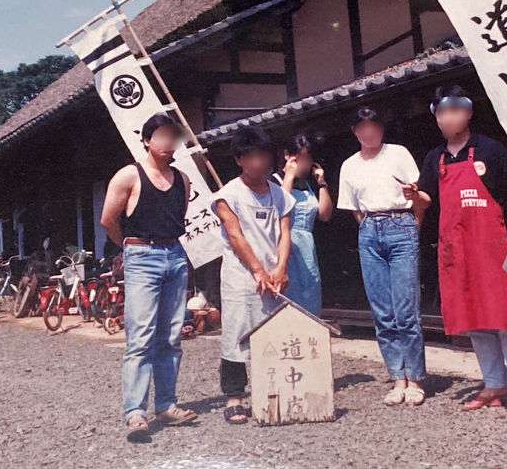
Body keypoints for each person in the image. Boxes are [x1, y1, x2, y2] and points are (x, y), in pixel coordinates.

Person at [408, 85, 507, 415]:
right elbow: (427, 198)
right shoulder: (434, 157)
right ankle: (494, 383)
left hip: (492, 247)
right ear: (436, 117)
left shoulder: (490, 149)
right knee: (475, 320)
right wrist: (413, 196)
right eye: (442, 111)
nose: (449, 117)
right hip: (457, 249)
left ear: (468, 112)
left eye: (455, 110)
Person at [100, 113, 197, 441]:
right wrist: (129, 248)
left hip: (174, 256)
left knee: (171, 336)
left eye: (173, 137)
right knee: (140, 337)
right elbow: (108, 220)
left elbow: (177, 217)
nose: (168, 144)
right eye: (162, 137)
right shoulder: (130, 175)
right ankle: (135, 412)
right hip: (142, 256)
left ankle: (166, 404)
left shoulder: (182, 179)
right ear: (146, 140)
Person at [337, 106, 427, 407]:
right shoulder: (349, 165)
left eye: (373, 125)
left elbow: (417, 194)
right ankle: (396, 377)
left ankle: (415, 378)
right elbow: (353, 207)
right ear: (354, 132)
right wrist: (369, 226)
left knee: (405, 308)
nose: (369, 132)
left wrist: (410, 225)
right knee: (382, 310)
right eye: (362, 127)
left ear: (381, 128)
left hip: (401, 224)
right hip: (370, 230)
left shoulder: (398, 153)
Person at [210, 126, 296, 424]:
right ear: (239, 160)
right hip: (242, 277)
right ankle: (234, 397)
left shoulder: (279, 194)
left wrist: (280, 267)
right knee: (236, 334)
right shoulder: (228, 195)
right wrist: (257, 270)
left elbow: (285, 234)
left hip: (275, 278)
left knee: (272, 333)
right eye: (252, 156)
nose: (259, 162)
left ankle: (269, 391)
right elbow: (236, 237)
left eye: (263, 155)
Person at [268, 133, 333, 316]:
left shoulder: (308, 185)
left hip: (306, 248)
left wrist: (322, 183)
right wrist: (288, 177)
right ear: (287, 155)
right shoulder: (274, 181)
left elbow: (325, 214)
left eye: (308, 160)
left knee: (309, 298)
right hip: (284, 246)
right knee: (287, 301)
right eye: (300, 158)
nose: (304, 164)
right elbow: (280, 207)